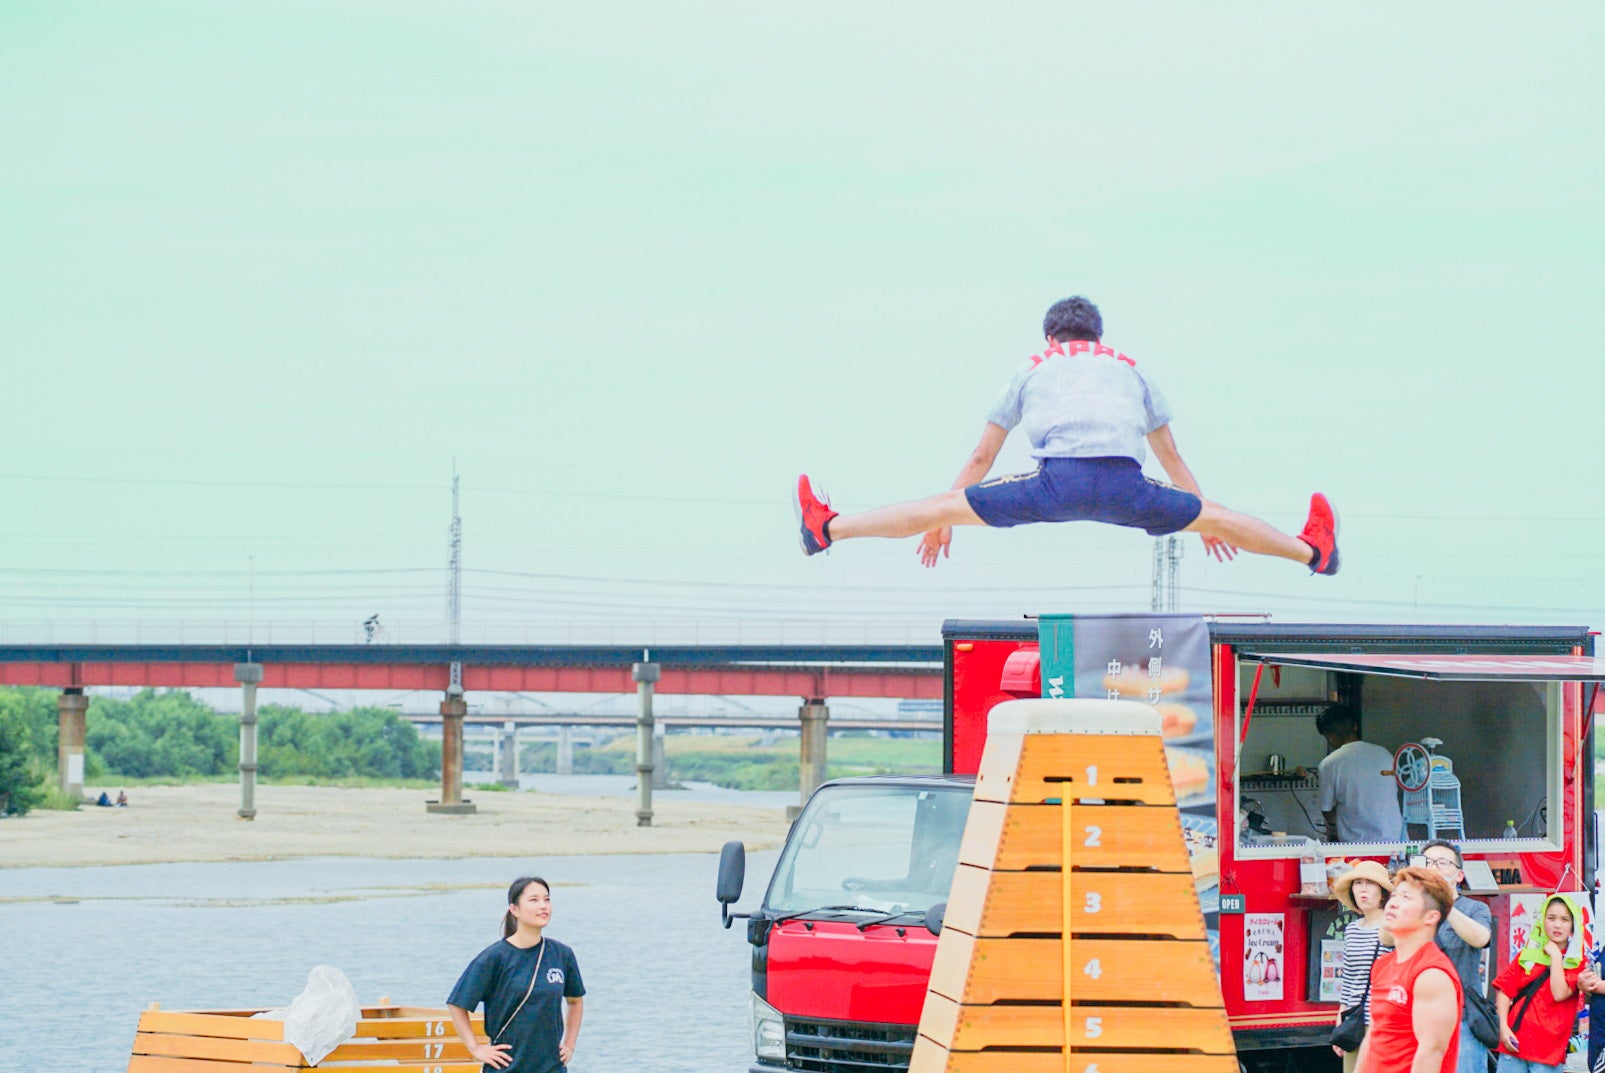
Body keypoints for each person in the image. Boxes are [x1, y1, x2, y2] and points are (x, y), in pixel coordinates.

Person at [792, 295, 1340, 574]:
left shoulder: (1033, 366)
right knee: (1222, 516)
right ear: (1099, 336)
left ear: (1049, 337)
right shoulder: (1131, 367)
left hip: (1055, 485)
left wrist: (944, 520)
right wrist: (1201, 518)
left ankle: (827, 530)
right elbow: (1171, 456)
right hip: (1127, 486)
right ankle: (1314, 553)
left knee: (936, 506)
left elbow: (983, 455)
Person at [447, 876, 585, 1073]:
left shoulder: (561, 954)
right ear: (514, 909)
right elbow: (457, 1004)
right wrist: (476, 1049)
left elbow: (575, 1001)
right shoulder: (494, 957)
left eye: (546, 899)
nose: (543, 906)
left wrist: (569, 1045)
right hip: (507, 1067)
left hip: (551, 1067)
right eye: (534, 900)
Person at [1355, 866, 1462, 1073]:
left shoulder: (1432, 974)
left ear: (1430, 917)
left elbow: (1430, 1053)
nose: (1393, 903)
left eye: (1406, 898)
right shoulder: (1382, 965)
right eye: (1394, 896)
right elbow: (1374, 1035)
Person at [1419, 840, 1494, 1073]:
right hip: (1419, 1019)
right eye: (1427, 862)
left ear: (1459, 875)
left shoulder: (1475, 909)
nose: (1434, 868)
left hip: (1462, 1020)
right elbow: (1387, 937)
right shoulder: (1412, 908)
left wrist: (1444, 903)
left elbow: (1481, 938)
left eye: (1442, 862)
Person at [1491, 893, 1583, 1073]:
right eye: (1551, 918)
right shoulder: (1528, 954)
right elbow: (1504, 989)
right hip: (1514, 1045)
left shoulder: (1576, 961)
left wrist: (1556, 957)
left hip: (1548, 1053)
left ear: (1573, 925)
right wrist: (1503, 1027)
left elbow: (1559, 993)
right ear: (1542, 920)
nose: (1557, 925)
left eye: (1564, 920)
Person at [1333, 860, 1393, 1073]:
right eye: (1358, 883)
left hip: (1384, 1021)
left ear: (1383, 893)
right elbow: (1349, 979)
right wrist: (1341, 1019)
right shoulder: (1351, 930)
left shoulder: (1392, 928)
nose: (1363, 889)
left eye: (1370, 883)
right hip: (1355, 1021)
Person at [1316, 705, 1403, 843]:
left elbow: (1326, 810)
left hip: (1355, 843)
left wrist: (1335, 826)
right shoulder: (1384, 753)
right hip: (1393, 837)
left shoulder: (1329, 764)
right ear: (1355, 727)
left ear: (1328, 736)